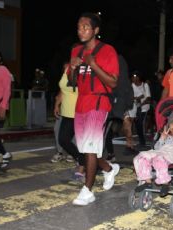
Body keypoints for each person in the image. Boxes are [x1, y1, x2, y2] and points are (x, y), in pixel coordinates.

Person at [69, 13, 120, 206]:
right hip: (81, 104)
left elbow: (113, 82)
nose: (81, 30)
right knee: (87, 149)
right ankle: (108, 169)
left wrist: (93, 64)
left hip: (99, 104)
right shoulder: (76, 51)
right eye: (79, 27)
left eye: (85, 27)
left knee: (90, 147)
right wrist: (73, 69)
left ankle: (87, 190)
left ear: (96, 30)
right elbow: (73, 83)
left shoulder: (107, 51)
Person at [133, 108, 173, 196]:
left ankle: (165, 183)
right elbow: (157, 148)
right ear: (168, 125)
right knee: (142, 157)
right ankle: (147, 181)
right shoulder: (166, 135)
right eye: (172, 123)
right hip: (162, 152)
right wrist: (162, 138)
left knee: (158, 159)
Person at [52, 65, 85, 181]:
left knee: (83, 144)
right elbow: (63, 89)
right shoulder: (66, 68)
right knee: (63, 140)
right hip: (66, 113)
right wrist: (57, 104)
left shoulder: (83, 70)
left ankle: (82, 167)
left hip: (80, 113)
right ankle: (82, 160)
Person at [131, 71, 151, 147]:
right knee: (137, 126)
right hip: (136, 109)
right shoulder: (132, 85)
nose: (134, 78)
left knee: (140, 125)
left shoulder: (145, 85)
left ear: (139, 77)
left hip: (144, 108)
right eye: (133, 76)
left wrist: (141, 103)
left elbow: (148, 97)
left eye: (135, 76)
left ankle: (143, 143)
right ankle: (141, 141)